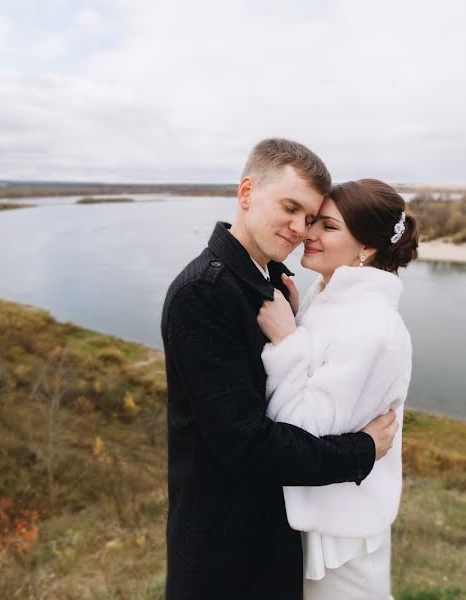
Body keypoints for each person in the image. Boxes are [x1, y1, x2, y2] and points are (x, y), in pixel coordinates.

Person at [160, 139, 399, 599]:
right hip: (224, 548)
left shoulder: (270, 281)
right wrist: (362, 450)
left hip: (269, 534)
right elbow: (247, 445)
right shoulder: (204, 293)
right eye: (290, 208)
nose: (299, 229)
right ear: (247, 192)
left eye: (310, 218)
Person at [257, 179, 419, 599]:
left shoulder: (372, 329)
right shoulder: (329, 297)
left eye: (327, 227)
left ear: (366, 247)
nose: (307, 234)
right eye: (313, 221)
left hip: (341, 542)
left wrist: (286, 340)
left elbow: (300, 430)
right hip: (319, 521)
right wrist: (296, 317)